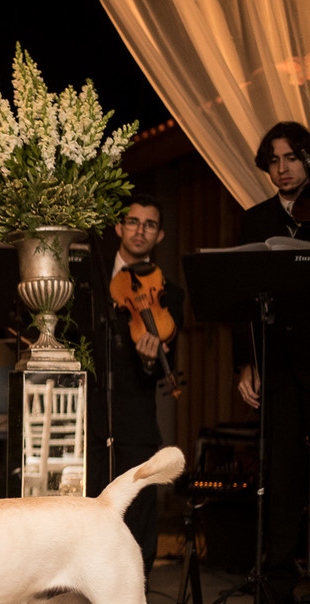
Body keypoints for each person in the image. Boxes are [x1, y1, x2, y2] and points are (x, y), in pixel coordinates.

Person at [78, 195, 184, 580]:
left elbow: (157, 372)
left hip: (135, 412)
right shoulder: (89, 277)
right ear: (119, 228)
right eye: (133, 222)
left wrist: (150, 358)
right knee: (87, 504)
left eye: (150, 225)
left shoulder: (169, 295)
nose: (140, 230)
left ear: (160, 236)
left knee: (137, 503)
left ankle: (133, 591)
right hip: (89, 408)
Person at [236, 121, 310, 604]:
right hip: (279, 366)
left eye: (291, 159)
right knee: (281, 482)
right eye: (274, 162)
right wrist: (248, 362)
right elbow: (241, 301)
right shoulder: (255, 219)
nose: (282, 169)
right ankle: (276, 595)